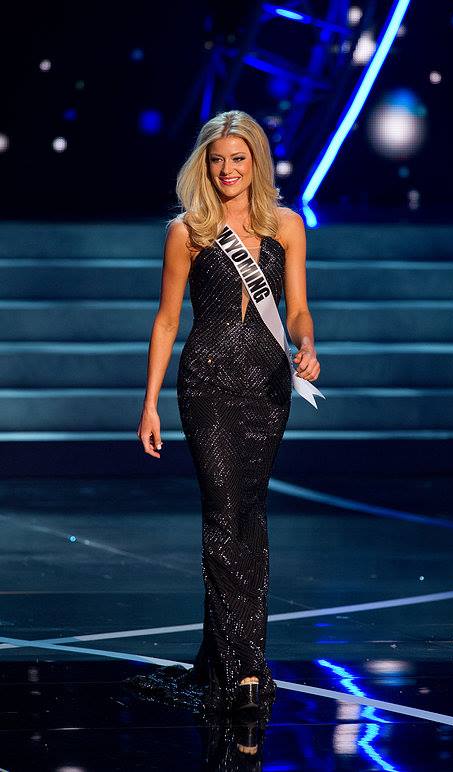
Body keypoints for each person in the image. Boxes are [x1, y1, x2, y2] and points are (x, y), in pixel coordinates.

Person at [132, 109, 321, 720]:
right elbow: (166, 321)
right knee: (221, 512)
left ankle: (233, 658)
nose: (227, 170)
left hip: (267, 383)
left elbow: (297, 309)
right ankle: (242, 667)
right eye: (217, 160)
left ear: (256, 162)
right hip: (207, 382)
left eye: (238, 159)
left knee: (250, 516)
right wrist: (149, 403)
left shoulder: (287, 226)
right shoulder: (188, 231)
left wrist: (306, 344)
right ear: (204, 166)